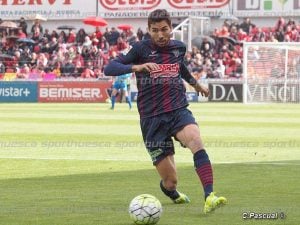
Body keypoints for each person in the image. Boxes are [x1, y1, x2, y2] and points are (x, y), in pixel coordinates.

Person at [104, 9, 227, 214]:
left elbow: (182, 69)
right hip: (152, 119)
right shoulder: (139, 49)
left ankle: (209, 196)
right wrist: (138, 67)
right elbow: (110, 68)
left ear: (171, 28)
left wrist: (196, 85)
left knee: (196, 140)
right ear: (149, 30)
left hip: (178, 110)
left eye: (164, 29)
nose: (160, 35)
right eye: (155, 30)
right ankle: (172, 192)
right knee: (171, 181)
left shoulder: (179, 48)